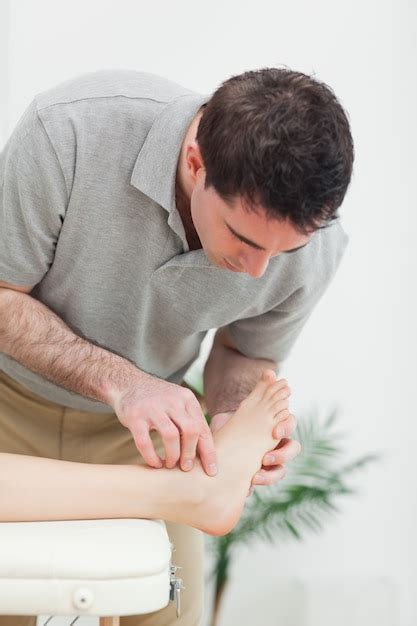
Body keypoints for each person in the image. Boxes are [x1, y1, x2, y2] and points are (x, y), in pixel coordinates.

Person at [0, 67, 354, 626]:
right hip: (9, 399)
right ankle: (174, 494)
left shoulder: (312, 249)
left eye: (281, 253)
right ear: (196, 161)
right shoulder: (68, 132)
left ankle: (179, 492)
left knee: (168, 612)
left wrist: (235, 418)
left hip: (152, 436)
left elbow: (243, 353)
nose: (257, 269)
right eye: (244, 238)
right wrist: (125, 383)